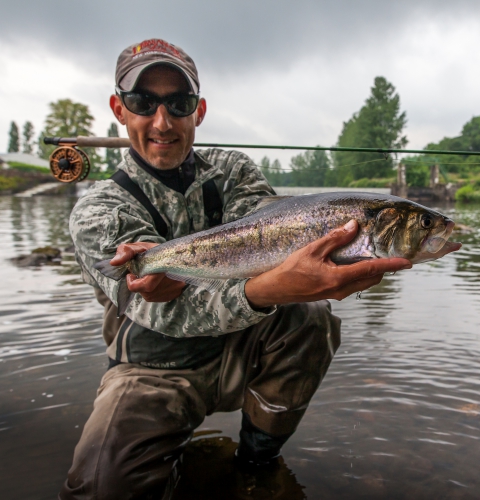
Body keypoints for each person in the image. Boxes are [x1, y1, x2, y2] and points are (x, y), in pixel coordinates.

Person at [60, 39, 412, 500]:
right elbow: (163, 312)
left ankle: (257, 465)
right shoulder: (97, 212)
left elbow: (277, 237)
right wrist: (265, 289)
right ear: (119, 108)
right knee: (101, 489)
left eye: (179, 103)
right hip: (152, 369)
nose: (162, 122)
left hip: (241, 346)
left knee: (312, 319)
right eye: (143, 102)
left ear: (199, 111)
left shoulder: (233, 171)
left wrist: (314, 266)